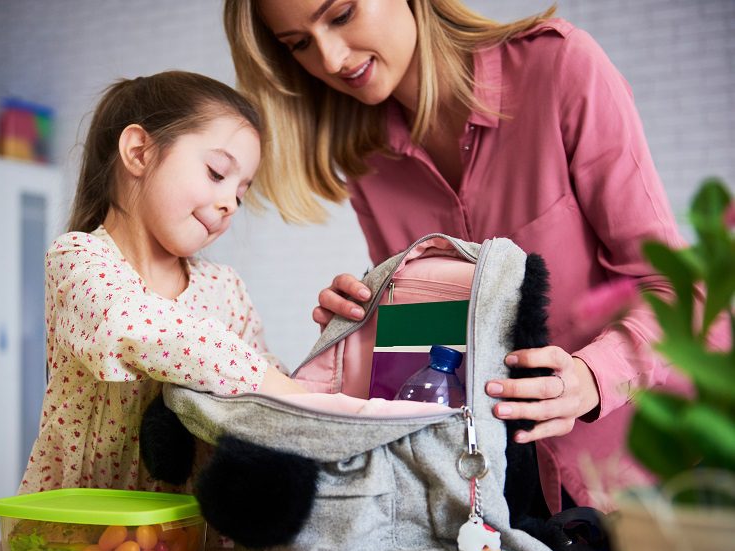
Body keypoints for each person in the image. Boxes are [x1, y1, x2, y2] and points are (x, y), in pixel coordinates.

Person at [223, 0, 713, 514]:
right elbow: (439, 347)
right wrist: (363, 332)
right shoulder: (366, 157)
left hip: (653, 474)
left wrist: (591, 378)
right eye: (298, 44)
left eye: (342, 14)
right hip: (499, 493)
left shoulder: (559, 67)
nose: (329, 58)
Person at [19, 71, 306, 497]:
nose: (230, 203)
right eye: (216, 172)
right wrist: (268, 380)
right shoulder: (78, 259)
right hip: (84, 534)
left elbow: (266, 394)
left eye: (241, 193)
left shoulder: (225, 288)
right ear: (139, 152)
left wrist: (318, 370)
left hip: (195, 538)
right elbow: (129, 326)